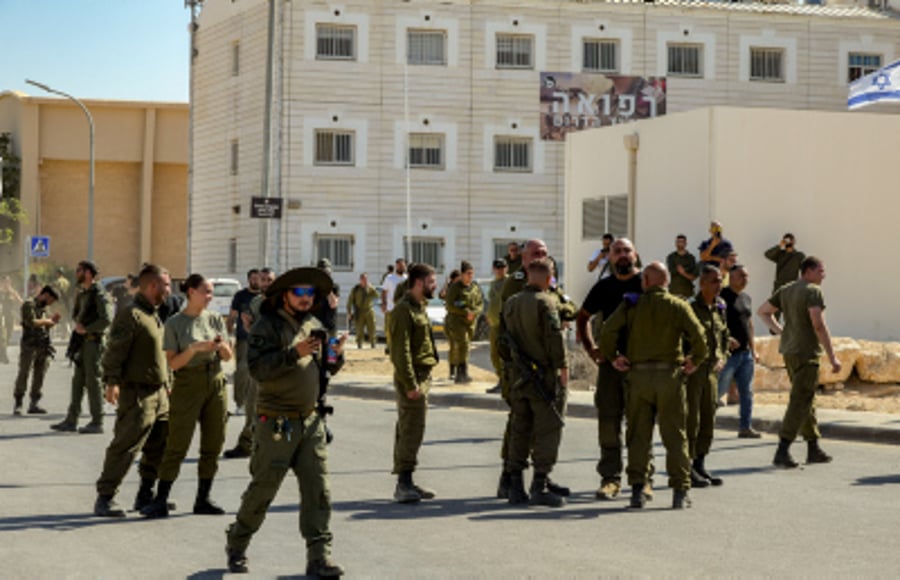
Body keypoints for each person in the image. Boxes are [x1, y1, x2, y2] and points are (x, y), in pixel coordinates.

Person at [225, 267, 345, 577]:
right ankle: (237, 543)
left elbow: (324, 369)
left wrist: (336, 356)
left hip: (310, 421)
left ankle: (319, 556)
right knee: (263, 488)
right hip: (276, 423)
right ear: (285, 296)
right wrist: (294, 353)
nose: (307, 299)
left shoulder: (315, 324)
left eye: (310, 294)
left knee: (319, 490)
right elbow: (258, 369)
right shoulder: (268, 327)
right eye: (300, 293)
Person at [599, 262, 708, 510]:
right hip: (670, 376)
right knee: (675, 435)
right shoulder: (679, 306)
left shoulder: (631, 304)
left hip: (638, 377)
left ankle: (637, 490)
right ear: (666, 282)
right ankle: (680, 491)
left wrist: (614, 356)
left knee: (638, 435)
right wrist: (694, 361)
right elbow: (700, 337)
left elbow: (607, 331)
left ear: (646, 281)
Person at [140, 274, 234, 518]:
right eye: (206, 291)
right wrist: (194, 349)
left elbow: (228, 357)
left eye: (211, 292)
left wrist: (222, 347)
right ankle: (161, 499)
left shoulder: (214, 319)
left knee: (214, 443)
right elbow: (173, 364)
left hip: (215, 382)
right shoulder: (175, 323)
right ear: (191, 292)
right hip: (188, 384)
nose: (209, 297)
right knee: (177, 444)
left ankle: (203, 499)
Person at [495, 239, 576, 499]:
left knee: (521, 428)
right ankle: (538, 483)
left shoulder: (512, 303)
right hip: (543, 377)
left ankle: (516, 483)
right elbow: (554, 340)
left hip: (520, 376)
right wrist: (563, 369)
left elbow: (502, 341)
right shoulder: (544, 302)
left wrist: (511, 367)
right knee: (548, 429)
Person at [92, 264, 171, 518]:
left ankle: (145, 495)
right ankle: (105, 497)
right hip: (137, 393)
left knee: (158, 447)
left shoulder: (154, 314)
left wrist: (167, 383)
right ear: (152, 286)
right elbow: (114, 351)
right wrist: (112, 382)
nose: (170, 290)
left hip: (159, 393)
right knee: (126, 446)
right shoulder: (131, 314)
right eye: (166, 285)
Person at [575, 238, 643, 501]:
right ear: (610, 258)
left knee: (641, 424)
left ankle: (642, 479)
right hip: (610, 367)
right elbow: (583, 317)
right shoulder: (603, 287)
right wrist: (592, 349)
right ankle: (610, 479)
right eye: (617, 251)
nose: (622, 255)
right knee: (608, 423)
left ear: (635, 255)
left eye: (627, 250)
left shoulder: (647, 284)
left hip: (642, 367)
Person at [757, 256, 841, 469]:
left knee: (806, 399)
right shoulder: (812, 291)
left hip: (790, 351)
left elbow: (764, 311)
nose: (824, 274)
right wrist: (832, 356)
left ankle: (813, 447)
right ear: (809, 271)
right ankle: (783, 449)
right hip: (806, 352)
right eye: (821, 270)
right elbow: (818, 325)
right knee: (800, 400)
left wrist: (782, 332)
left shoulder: (786, 289)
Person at [389, 263, 439, 504]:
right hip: (413, 377)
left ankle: (407, 479)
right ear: (418, 283)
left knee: (412, 427)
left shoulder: (420, 307)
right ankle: (403, 483)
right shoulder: (403, 310)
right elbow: (401, 352)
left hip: (423, 375)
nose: (435, 286)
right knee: (411, 429)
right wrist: (410, 384)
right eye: (431, 282)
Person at [51, 260, 113, 434]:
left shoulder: (99, 293)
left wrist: (87, 329)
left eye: (79, 270)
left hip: (93, 342)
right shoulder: (84, 292)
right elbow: (77, 314)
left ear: (87, 273)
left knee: (93, 381)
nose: (76, 273)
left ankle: (97, 420)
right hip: (82, 342)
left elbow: (106, 319)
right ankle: (72, 419)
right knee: (78, 381)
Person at [685, 265, 732, 488]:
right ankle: (686, 467)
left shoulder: (720, 307)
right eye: (714, 281)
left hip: (712, 373)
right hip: (693, 373)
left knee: (707, 420)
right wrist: (686, 360)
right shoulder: (690, 308)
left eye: (721, 280)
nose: (719, 285)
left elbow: (724, 336)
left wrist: (723, 355)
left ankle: (700, 463)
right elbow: (680, 338)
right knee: (691, 419)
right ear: (702, 283)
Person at [223, 267, 275, 459]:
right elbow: (253, 329)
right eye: (263, 280)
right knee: (253, 404)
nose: (266, 283)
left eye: (269, 279)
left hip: (281, 361)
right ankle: (247, 444)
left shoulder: (285, 302)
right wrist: (247, 326)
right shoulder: (255, 302)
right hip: (259, 360)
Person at [718, 264, 761, 438]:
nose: (745, 280)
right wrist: (725, 338)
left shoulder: (746, 298)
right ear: (731, 277)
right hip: (728, 355)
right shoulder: (721, 297)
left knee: (747, 392)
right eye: (741, 276)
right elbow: (715, 323)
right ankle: (700, 425)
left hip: (745, 354)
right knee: (718, 391)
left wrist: (754, 349)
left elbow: (749, 324)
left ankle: (745, 427)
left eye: (747, 276)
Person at [13, 285, 61, 415]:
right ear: (46, 295)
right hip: (29, 345)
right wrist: (47, 321)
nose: (51, 303)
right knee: (24, 372)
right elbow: (31, 322)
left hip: (42, 345)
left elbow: (44, 326)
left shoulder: (44, 308)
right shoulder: (28, 305)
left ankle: (34, 403)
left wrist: (52, 322)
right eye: (51, 300)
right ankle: (18, 402)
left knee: (40, 374)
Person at [444, 261, 484, 384]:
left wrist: (474, 312)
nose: (470, 276)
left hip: (471, 322)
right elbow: (450, 306)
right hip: (457, 321)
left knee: (466, 346)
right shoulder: (455, 288)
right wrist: (465, 312)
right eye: (468, 273)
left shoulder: (475, 287)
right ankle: (461, 373)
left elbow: (480, 303)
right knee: (463, 344)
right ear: (462, 274)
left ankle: (461, 371)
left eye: (472, 273)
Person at [228, 268, 260, 413]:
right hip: (243, 339)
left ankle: (255, 403)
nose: (256, 281)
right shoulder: (241, 296)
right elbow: (232, 316)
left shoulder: (265, 297)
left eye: (258, 278)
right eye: (253, 278)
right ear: (248, 280)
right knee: (242, 370)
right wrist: (228, 334)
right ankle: (240, 403)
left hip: (261, 340)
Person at [485, 259, 508, 394]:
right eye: (497, 268)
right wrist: (489, 315)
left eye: (502, 268)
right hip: (494, 323)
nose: (500, 270)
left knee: (503, 353)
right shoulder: (493, 284)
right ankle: (501, 379)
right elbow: (492, 300)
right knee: (494, 353)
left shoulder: (509, 282)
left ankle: (505, 381)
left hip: (504, 323)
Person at [381, 258, 407, 355]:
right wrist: (383, 303)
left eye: (403, 265)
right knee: (389, 329)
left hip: (403, 309)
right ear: (396, 266)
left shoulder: (406, 279)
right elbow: (384, 291)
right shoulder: (389, 278)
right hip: (391, 308)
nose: (401, 267)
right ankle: (389, 346)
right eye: (399, 265)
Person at [347, 272, 378, 349]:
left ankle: (373, 344)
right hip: (359, 311)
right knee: (359, 329)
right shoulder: (356, 289)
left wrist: (372, 288)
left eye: (366, 279)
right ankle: (359, 345)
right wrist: (349, 312)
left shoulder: (370, 289)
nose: (365, 280)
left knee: (372, 328)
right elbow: (350, 301)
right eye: (363, 279)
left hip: (369, 310)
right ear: (360, 280)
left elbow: (377, 295)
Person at [666, 234, 698, 298]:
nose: (680, 244)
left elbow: (693, 276)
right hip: (674, 291)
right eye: (678, 242)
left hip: (687, 292)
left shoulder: (691, 258)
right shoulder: (671, 257)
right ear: (675, 243)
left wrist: (683, 273)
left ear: (685, 243)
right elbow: (671, 271)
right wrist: (683, 270)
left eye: (682, 242)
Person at [0, 276, 23, 364]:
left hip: (10, 316)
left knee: (8, 334)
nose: (6, 284)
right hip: (1, 316)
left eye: (8, 282)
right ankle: (3, 355)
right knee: (3, 335)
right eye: (5, 282)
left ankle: (2, 352)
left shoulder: (13, 292)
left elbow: (20, 301)